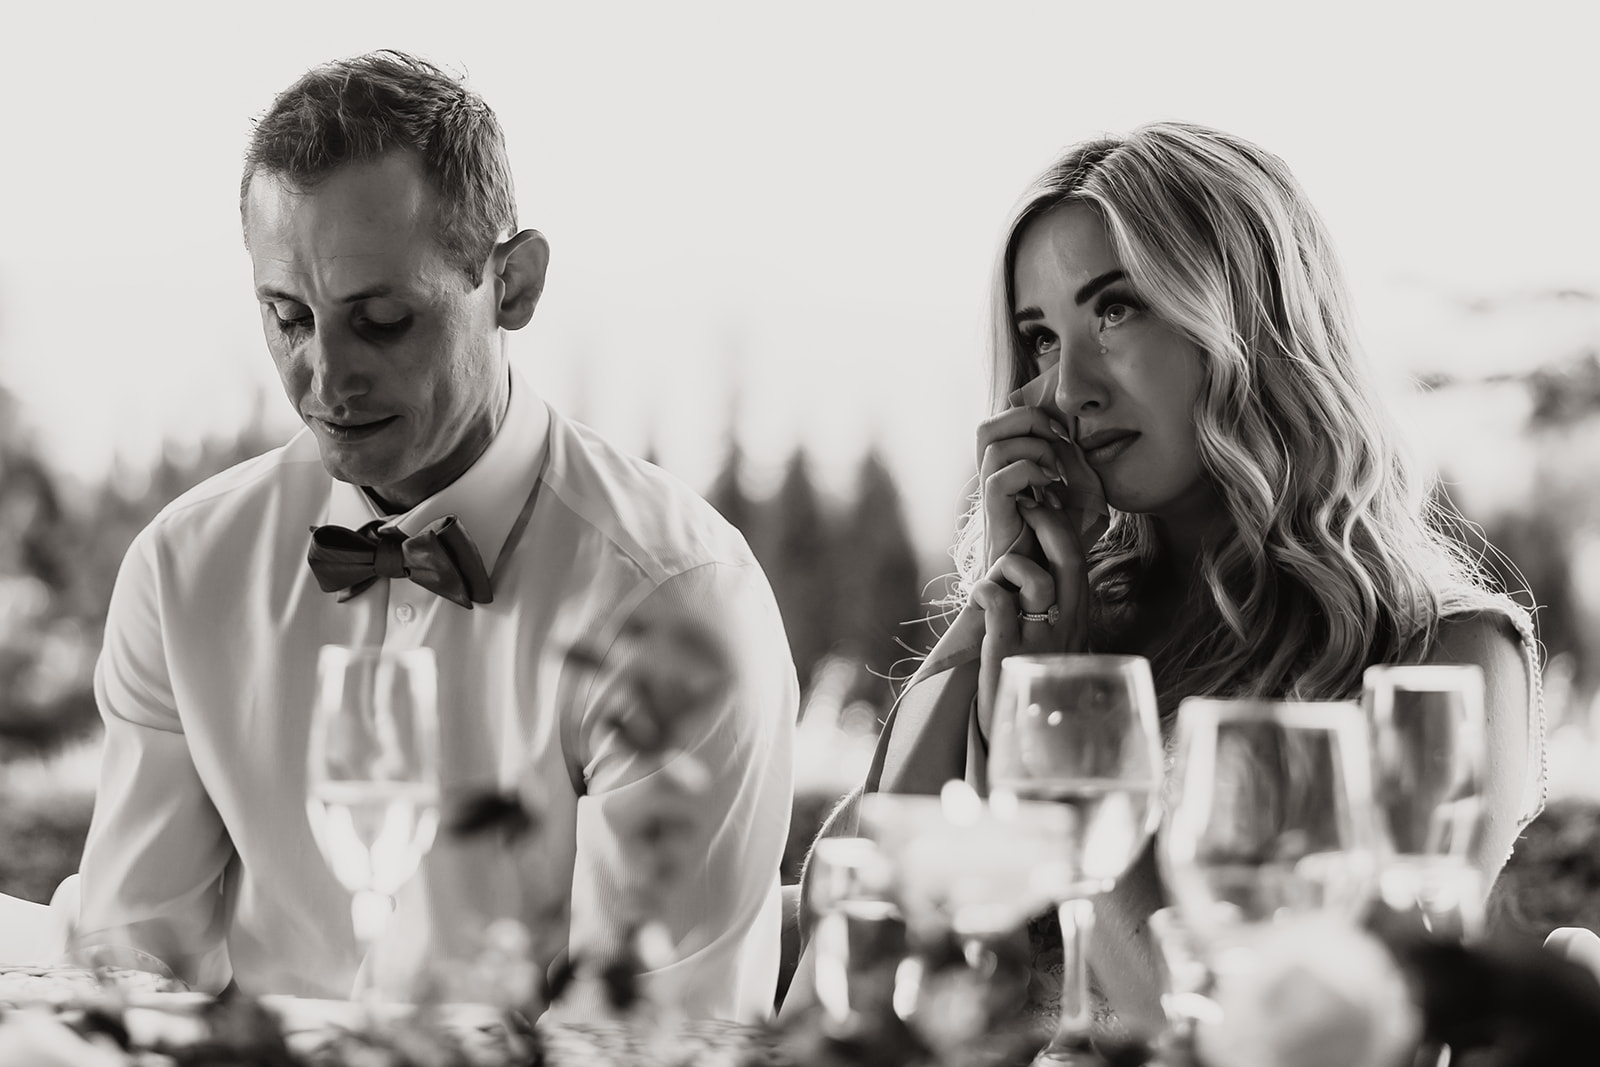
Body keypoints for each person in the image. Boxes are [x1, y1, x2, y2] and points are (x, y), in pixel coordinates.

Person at [74, 50, 797, 1021]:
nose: (324, 378)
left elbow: (658, 1039)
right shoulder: (182, 572)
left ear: (514, 285)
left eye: (381, 321)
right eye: (288, 318)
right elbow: (130, 979)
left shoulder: (676, 605)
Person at [785, 122, 1543, 1031]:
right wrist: (996, 610)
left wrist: (1056, 717)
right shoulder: (1057, 620)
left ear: (1249, 319)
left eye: (1115, 310)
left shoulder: (1445, 654)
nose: (1069, 390)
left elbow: (1258, 1039)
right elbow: (845, 984)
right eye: (1039, 340)